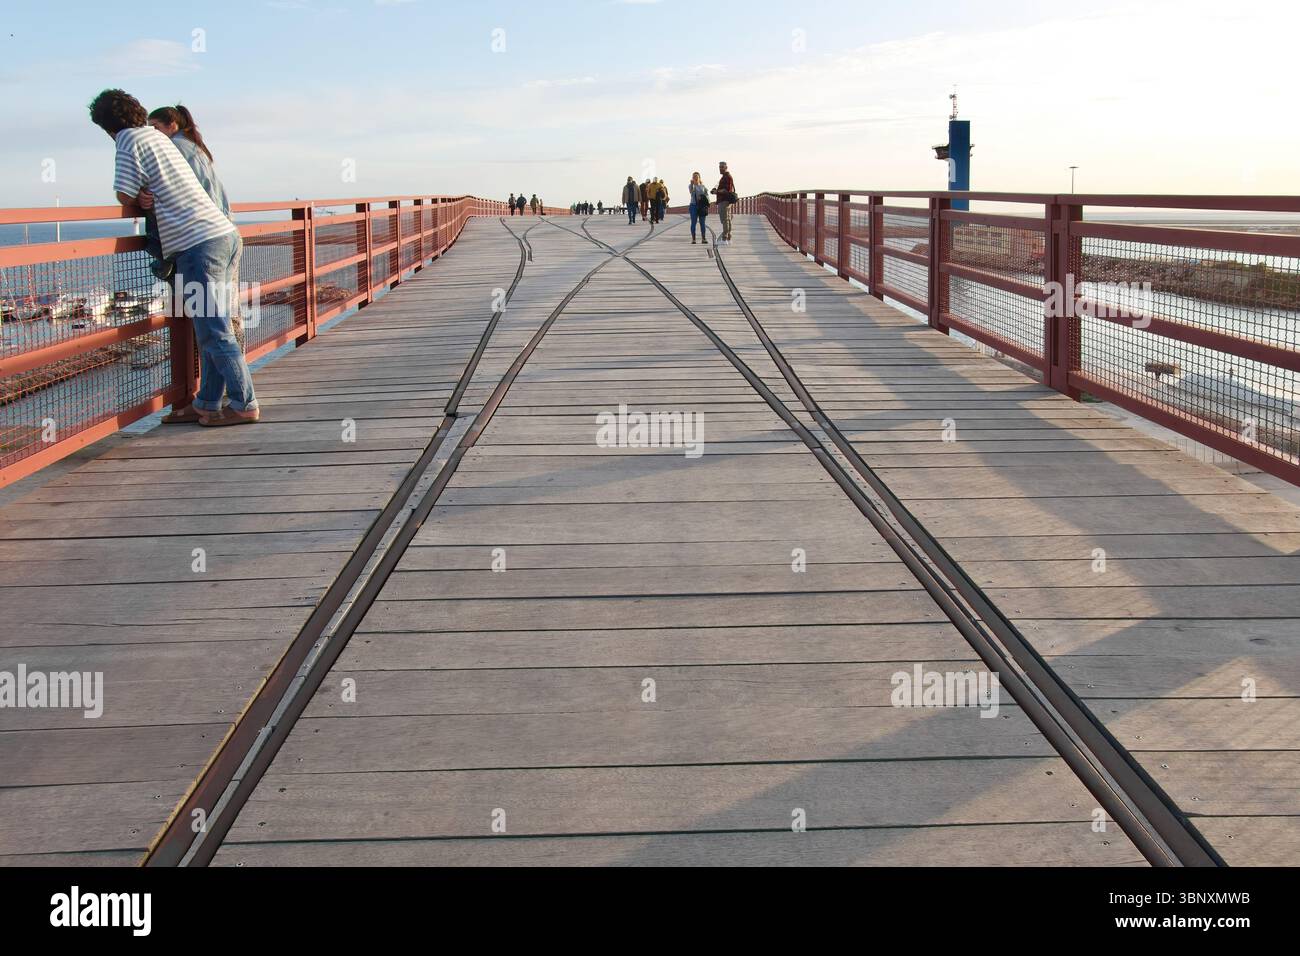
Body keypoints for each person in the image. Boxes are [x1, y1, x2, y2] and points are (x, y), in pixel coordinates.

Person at [89, 89, 257, 426]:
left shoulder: (127, 140)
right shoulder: (159, 138)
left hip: (198, 245)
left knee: (213, 330)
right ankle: (207, 403)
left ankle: (244, 404)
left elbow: (123, 190)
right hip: (222, 236)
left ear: (108, 126)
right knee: (209, 327)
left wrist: (135, 195)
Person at [711, 160, 736, 243]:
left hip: (724, 201)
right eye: (719, 167)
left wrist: (716, 192)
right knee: (727, 219)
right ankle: (728, 236)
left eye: (722, 167)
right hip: (725, 200)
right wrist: (716, 190)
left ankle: (725, 237)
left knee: (724, 219)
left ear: (726, 167)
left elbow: (726, 190)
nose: (720, 169)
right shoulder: (725, 176)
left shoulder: (727, 177)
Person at [688, 171, 710, 244]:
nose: (695, 178)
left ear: (699, 178)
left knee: (702, 223)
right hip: (693, 205)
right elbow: (691, 191)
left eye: (696, 177)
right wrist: (692, 184)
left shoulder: (703, 186)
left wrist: (703, 198)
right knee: (693, 222)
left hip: (702, 206)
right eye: (694, 177)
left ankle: (703, 238)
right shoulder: (691, 186)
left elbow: (707, 196)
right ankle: (693, 239)